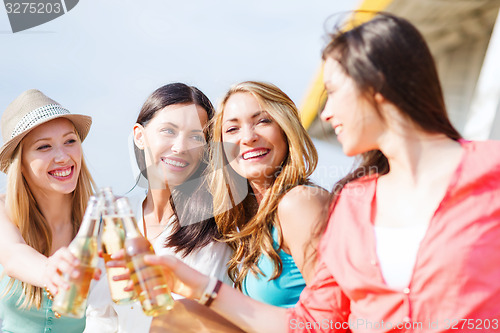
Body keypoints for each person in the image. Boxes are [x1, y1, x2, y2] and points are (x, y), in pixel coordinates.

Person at [144, 13, 500, 333]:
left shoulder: (489, 172)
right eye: (231, 129)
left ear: (377, 86)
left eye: (333, 91)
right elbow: (315, 323)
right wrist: (195, 287)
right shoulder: (354, 204)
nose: (325, 113)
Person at [85, 83, 234, 333]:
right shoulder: (115, 219)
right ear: (139, 136)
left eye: (196, 137)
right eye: (168, 131)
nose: (180, 147)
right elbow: (101, 316)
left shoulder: (217, 226)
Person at [208, 81, 330, 307]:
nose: (248, 137)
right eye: (233, 129)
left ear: (286, 129)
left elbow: (334, 317)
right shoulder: (249, 223)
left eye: (263, 121)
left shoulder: (299, 203)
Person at [0, 89, 96, 333]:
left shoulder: (102, 220)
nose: (63, 156)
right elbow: (12, 254)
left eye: (70, 141)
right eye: (44, 147)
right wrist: (48, 271)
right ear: (19, 163)